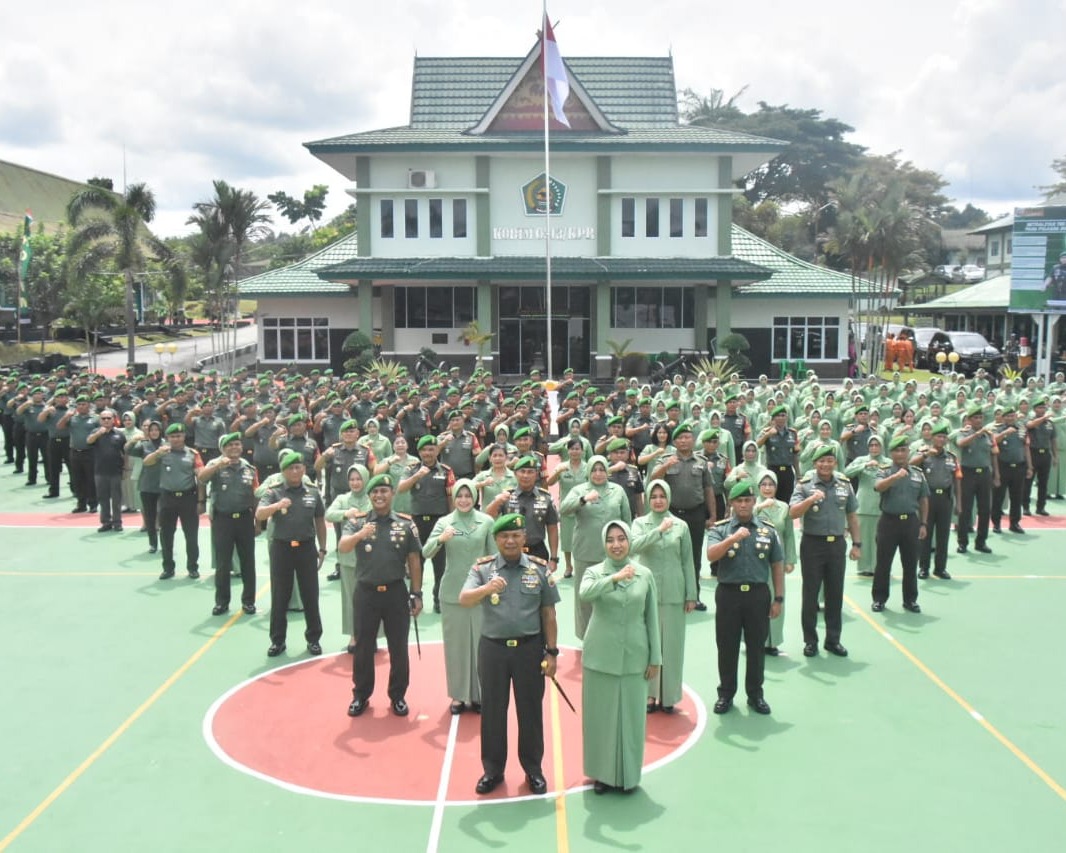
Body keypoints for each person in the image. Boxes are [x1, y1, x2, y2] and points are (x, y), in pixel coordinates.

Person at [459, 513, 560, 796]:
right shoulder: (483, 569)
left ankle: (533, 770)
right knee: (492, 712)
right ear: (496, 540)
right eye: (504, 536)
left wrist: (552, 653)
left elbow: (549, 614)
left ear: (524, 538)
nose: (511, 540)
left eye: (516, 535)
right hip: (493, 650)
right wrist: (486, 589)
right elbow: (463, 599)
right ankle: (492, 770)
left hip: (529, 650)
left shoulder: (539, 569)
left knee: (530, 712)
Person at [579, 520, 661, 793]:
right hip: (600, 656)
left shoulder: (644, 574)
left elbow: (651, 617)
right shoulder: (594, 572)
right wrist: (613, 578)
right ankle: (601, 774)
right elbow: (585, 594)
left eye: (621, 539)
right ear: (604, 543)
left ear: (629, 542)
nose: (616, 545)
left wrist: (655, 657)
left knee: (632, 718)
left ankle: (628, 775)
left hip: (635, 655)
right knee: (600, 718)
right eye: (611, 540)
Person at [341, 473, 424, 716]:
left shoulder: (406, 524)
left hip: (395, 592)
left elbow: (414, 561)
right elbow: (343, 546)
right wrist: (359, 535)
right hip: (366, 593)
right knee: (364, 647)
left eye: (384, 491)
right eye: (375, 492)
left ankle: (398, 695)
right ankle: (361, 695)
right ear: (369, 496)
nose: (379, 496)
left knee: (398, 648)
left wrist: (416, 593)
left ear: (392, 494)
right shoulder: (357, 521)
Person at [705, 481, 785, 715]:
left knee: (756, 647)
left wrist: (778, 598)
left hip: (758, 595)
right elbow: (711, 555)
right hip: (729, 595)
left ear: (754, 502)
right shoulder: (720, 529)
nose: (743, 504)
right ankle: (726, 694)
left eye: (747, 500)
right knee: (727, 647)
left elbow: (777, 564)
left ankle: (755, 694)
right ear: (731, 503)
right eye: (738, 500)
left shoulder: (767, 530)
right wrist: (733, 539)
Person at [422, 478, 496, 713]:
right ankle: (457, 695)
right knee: (455, 646)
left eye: (468, 495)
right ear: (453, 498)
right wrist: (440, 540)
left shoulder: (486, 521)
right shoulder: (445, 522)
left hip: (480, 592)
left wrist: (493, 586)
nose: (464, 500)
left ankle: (480, 695)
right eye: (459, 496)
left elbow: (495, 556)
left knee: (481, 646)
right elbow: (426, 551)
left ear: (475, 496)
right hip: (453, 592)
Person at [629, 479, 695, 712]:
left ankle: (669, 697)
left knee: (673, 646)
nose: (658, 501)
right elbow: (633, 547)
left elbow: (687, 560)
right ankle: (649, 695)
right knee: (649, 645)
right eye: (654, 496)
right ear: (647, 499)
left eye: (662, 496)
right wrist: (658, 531)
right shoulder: (640, 523)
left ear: (668, 498)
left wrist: (691, 594)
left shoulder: (681, 525)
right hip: (647, 592)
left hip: (675, 592)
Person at [789, 446, 861, 658]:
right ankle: (810, 641)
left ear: (835, 463)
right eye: (821, 461)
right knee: (810, 594)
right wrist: (810, 500)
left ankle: (833, 640)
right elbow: (793, 512)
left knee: (835, 594)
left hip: (837, 545)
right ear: (814, 464)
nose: (826, 465)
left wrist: (857, 544)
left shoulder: (844, 485)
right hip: (812, 544)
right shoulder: (804, 486)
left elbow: (853, 517)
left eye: (829, 461)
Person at [255, 450, 329, 657]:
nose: (295, 471)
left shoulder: (313, 492)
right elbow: (259, 514)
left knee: (310, 595)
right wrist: (277, 506)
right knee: (280, 596)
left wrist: (322, 548)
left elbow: (320, 521)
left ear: (304, 469)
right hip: (282, 548)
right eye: (290, 468)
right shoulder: (274, 491)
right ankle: (278, 641)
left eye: (298, 467)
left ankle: (313, 639)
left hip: (306, 548)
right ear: (284, 471)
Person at [558, 455, 633, 639]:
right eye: (594, 470)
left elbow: (626, 520)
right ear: (589, 472)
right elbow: (564, 509)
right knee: (585, 598)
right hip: (586, 551)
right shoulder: (579, 490)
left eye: (602, 470)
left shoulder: (618, 491)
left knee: (614, 594)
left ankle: (613, 634)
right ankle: (586, 637)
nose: (598, 474)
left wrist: (627, 547)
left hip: (613, 553)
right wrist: (583, 499)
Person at [648, 423, 716, 611]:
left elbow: (708, 489)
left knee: (694, 557)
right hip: (672, 515)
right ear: (675, 441)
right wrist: (666, 466)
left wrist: (712, 516)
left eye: (687, 437)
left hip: (696, 513)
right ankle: (673, 596)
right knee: (670, 556)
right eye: (680, 438)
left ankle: (694, 597)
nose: (684, 441)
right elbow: (654, 480)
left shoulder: (701, 462)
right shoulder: (666, 459)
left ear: (693, 440)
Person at [198, 432, 259, 616]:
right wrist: (217, 464)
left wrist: (257, 522)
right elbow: (201, 478)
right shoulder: (215, 465)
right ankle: (222, 602)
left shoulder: (249, 469)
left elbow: (255, 495)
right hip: (223, 520)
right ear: (223, 449)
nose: (234, 448)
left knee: (248, 562)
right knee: (223, 563)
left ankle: (248, 601)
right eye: (230, 445)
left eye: (237, 445)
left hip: (245, 519)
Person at [871, 436, 930, 613]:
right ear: (891, 453)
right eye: (897, 450)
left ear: (908, 452)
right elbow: (878, 486)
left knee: (911, 563)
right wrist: (895, 476)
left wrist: (924, 523)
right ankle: (879, 599)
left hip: (911, 522)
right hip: (889, 521)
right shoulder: (885, 470)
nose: (900, 453)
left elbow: (924, 499)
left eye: (903, 450)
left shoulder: (917, 474)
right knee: (883, 563)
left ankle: (910, 600)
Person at [398, 435, 454, 613]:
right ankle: (416, 597)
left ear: (437, 450)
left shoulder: (446, 470)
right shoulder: (411, 469)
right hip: (418, 522)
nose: (428, 453)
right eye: (424, 450)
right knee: (416, 562)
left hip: (439, 522)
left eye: (431, 449)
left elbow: (450, 497)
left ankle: (439, 598)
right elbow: (401, 488)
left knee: (440, 564)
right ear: (419, 452)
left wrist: (452, 520)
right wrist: (416, 476)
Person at [144, 423, 204, 580]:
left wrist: (201, 501)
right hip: (167, 498)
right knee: (166, 534)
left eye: (179, 436)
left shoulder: (193, 454)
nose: (176, 439)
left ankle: (192, 567)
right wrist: (157, 453)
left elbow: (201, 476)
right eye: (172, 436)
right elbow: (147, 462)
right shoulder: (163, 452)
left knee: (191, 535)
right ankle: (168, 568)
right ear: (168, 438)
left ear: (184, 436)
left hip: (188, 498)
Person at [325, 463, 371, 652]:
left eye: (359, 478)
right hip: (349, 557)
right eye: (351, 479)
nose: (355, 482)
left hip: (371, 557)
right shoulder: (343, 499)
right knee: (352, 599)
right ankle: (354, 634)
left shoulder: (372, 497)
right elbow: (329, 514)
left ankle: (371, 635)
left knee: (371, 599)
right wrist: (346, 513)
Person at [753, 471, 796, 656]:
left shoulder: (783, 507)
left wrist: (790, 559)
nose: (767, 488)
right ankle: (755, 640)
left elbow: (788, 534)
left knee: (776, 598)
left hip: (776, 561)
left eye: (771, 484)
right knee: (756, 601)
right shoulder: (751, 505)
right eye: (764, 484)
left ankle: (773, 642)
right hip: (755, 560)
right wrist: (760, 507)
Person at [914, 422, 961, 579]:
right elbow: (909, 465)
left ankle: (940, 568)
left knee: (943, 536)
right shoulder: (924, 454)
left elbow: (957, 480)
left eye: (944, 436)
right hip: (928, 499)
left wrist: (958, 502)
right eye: (938, 436)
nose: (941, 439)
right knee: (925, 534)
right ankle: (924, 567)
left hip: (945, 499)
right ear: (932, 438)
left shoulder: (951, 458)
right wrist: (924, 455)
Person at [952, 405, 998, 555]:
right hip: (968, 473)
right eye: (976, 418)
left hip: (984, 473)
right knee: (965, 509)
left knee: (985, 509)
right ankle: (962, 542)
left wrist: (996, 474)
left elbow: (993, 453)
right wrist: (976, 433)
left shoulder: (988, 435)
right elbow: (960, 443)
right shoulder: (963, 432)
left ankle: (981, 542)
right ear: (969, 420)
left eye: (981, 417)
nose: (979, 420)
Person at [844, 435, 886, 577]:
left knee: (880, 540)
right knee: (864, 538)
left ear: (881, 446)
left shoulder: (887, 462)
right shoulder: (861, 460)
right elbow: (846, 473)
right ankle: (865, 567)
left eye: (877, 445)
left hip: (881, 505)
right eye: (871, 445)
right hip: (864, 504)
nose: (874, 448)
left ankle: (878, 567)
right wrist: (864, 466)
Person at [544, 438, 587, 578]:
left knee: (583, 538)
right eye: (572, 449)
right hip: (567, 508)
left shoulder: (588, 467)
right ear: (567, 451)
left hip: (584, 508)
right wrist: (557, 472)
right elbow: (549, 483)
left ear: (582, 451)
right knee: (567, 539)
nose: (575, 451)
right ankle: (569, 566)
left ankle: (582, 564)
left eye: (577, 449)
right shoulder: (562, 466)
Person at [86, 409, 127, 533]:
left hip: (115, 471)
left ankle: (117, 522)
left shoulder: (119, 434)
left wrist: (124, 469)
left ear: (113, 419)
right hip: (100, 472)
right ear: (100, 420)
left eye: (109, 418)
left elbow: (124, 452)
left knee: (116, 499)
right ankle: (106, 522)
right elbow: (88, 441)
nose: (106, 420)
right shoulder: (95, 432)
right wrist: (99, 433)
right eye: (103, 418)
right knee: (103, 499)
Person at [990, 407, 1030, 534]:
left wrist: (1030, 466)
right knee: (998, 496)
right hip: (1003, 467)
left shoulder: (1021, 430)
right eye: (1007, 416)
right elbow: (994, 442)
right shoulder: (998, 429)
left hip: (1019, 467)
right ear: (1003, 418)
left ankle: (1014, 523)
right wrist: (1006, 432)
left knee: (1017, 497)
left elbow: (1026, 447)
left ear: (1015, 417)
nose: (1010, 418)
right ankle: (996, 523)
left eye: (1012, 416)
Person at [1025, 398, 1057, 516]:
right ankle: (1026, 507)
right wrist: (1044, 417)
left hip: (1046, 454)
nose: (1042, 410)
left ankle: (1041, 507)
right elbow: (1029, 425)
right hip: (1033, 453)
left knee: (1043, 483)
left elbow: (1053, 440)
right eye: (1039, 408)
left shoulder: (1050, 423)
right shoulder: (1031, 420)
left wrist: (1055, 455)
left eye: (1043, 407)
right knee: (1028, 481)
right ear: (1034, 409)